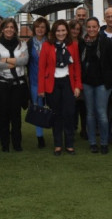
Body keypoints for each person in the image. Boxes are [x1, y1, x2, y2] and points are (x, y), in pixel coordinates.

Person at [38, 20, 82, 156]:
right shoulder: (47, 46)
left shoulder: (73, 45)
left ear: (67, 31)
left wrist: (77, 86)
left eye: (63, 30)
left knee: (69, 114)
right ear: (53, 32)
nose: (61, 33)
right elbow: (41, 68)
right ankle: (58, 144)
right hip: (52, 84)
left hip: (68, 83)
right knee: (56, 115)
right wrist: (41, 88)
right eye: (58, 31)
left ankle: (69, 144)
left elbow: (76, 67)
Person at [0, 18, 29, 152]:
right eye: (6, 27)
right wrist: (16, 61)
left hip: (18, 83)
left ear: (15, 29)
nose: (9, 29)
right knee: (3, 114)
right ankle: (5, 144)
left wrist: (5, 60)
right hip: (2, 83)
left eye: (12, 27)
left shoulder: (22, 44)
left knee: (16, 115)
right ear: (2, 29)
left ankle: (17, 143)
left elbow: (25, 60)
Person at [80, 17, 112, 154]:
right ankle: (93, 142)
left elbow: (111, 62)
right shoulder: (82, 43)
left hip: (102, 83)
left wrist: (107, 80)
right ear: (86, 28)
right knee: (90, 114)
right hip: (87, 82)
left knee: (101, 113)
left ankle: (104, 142)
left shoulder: (106, 42)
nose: (92, 29)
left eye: (94, 27)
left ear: (99, 27)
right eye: (89, 27)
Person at [27, 17, 50, 149]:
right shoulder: (29, 43)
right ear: (34, 28)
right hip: (35, 79)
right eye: (38, 26)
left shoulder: (51, 42)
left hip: (49, 80)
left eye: (43, 26)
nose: (40, 29)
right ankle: (39, 136)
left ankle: (57, 131)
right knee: (38, 107)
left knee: (52, 106)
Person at [69, 19, 87, 140]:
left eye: (77, 29)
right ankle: (73, 128)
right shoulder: (65, 42)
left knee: (83, 106)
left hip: (82, 75)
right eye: (73, 28)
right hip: (70, 76)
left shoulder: (82, 42)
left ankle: (84, 129)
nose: (75, 31)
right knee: (72, 106)